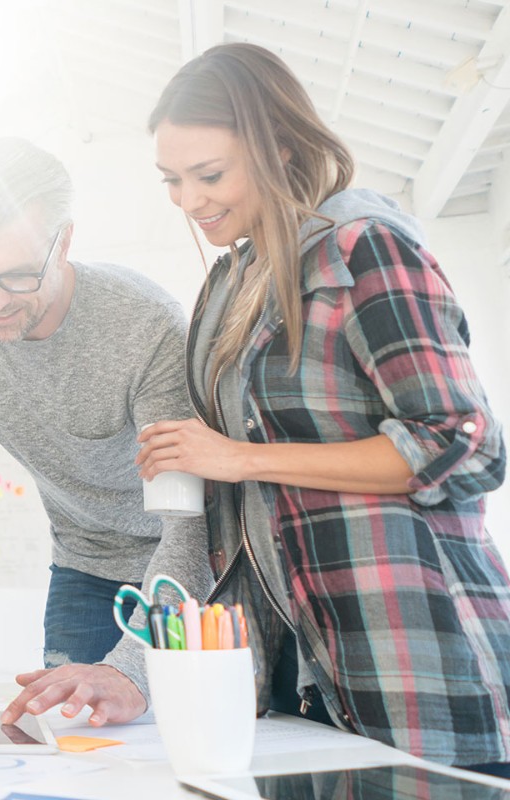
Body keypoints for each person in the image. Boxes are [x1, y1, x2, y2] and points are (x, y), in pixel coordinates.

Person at [139, 42, 510, 774]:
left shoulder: (365, 252)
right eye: (172, 181)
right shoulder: (226, 287)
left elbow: (465, 443)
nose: (189, 201)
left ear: (280, 146)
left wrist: (240, 458)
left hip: (410, 654)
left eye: (209, 175)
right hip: (291, 672)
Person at [0, 137, 211, 726]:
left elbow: (190, 525)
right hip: (84, 566)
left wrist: (133, 666)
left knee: (187, 745)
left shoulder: (146, 325)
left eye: (16, 275)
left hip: (189, 567)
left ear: (64, 243)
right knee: (76, 750)